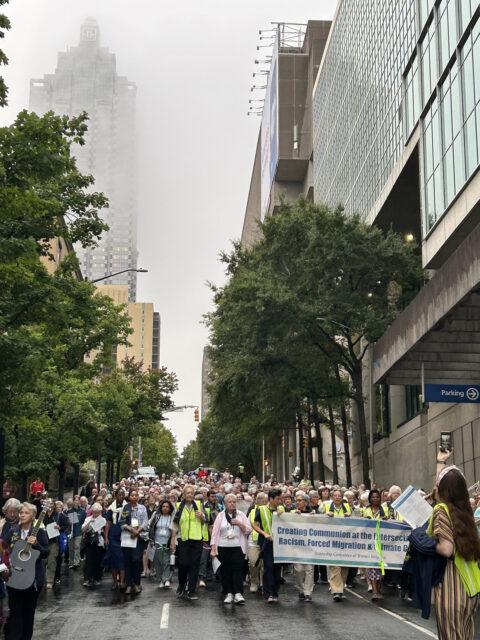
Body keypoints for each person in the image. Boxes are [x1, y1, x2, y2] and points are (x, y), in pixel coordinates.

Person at [429, 450, 480, 640]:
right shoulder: (466, 510)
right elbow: (442, 486)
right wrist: (440, 463)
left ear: (443, 489)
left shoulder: (441, 510)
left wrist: (428, 543)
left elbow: (446, 549)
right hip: (471, 587)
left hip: (451, 583)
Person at [3, 502, 49, 640]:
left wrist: (37, 545)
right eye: (21, 512)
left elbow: (46, 552)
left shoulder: (40, 532)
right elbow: (4, 550)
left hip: (32, 580)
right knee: (15, 613)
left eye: (26, 512)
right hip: (14, 578)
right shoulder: (13, 531)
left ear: (34, 516)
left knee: (28, 615)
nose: (22, 515)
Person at [210, 493, 251, 604]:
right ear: (225, 503)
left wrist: (239, 524)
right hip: (223, 546)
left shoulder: (241, 515)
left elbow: (248, 530)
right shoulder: (220, 515)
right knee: (225, 571)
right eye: (230, 502)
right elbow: (215, 533)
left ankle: (238, 593)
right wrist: (213, 548)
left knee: (237, 570)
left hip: (238, 547)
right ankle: (228, 593)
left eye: (234, 502)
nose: (232, 504)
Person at [173, 485, 206, 600]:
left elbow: (205, 521)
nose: (190, 495)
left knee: (194, 565)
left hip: (197, 539)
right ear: (183, 494)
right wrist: (173, 540)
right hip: (183, 539)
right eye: (187, 493)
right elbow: (175, 524)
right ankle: (182, 584)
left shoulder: (199, 505)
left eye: (192, 493)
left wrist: (202, 516)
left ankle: (191, 590)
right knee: (183, 563)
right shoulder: (178, 506)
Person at [252, 488, 285, 603]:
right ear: (271, 499)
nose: (280, 501)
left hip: (279, 544)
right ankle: (268, 593)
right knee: (268, 568)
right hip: (267, 544)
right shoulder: (261, 510)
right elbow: (255, 525)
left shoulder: (281, 509)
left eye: (281, 499)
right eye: (278, 499)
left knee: (277, 569)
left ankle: (275, 592)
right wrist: (264, 533)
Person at [362, 489, 389, 601]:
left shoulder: (385, 510)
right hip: (370, 543)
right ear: (370, 499)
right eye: (373, 497)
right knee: (372, 567)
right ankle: (374, 590)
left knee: (381, 568)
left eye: (377, 497)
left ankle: (378, 588)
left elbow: (390, 523)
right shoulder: (365, 510)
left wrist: (386, 519)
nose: (375, 499)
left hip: (383, 543)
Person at [121, 489, 148, 595]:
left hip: (139, 538)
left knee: (136, 560)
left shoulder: (142, 508)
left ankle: (136, 583)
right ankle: (128, 584)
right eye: (132, 495)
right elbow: (122, 523)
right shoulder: (126, 508)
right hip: (128, 538)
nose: (134, 497)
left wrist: (137, 531)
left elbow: (146, 522)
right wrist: (131, 529)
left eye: (136, 495)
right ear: (129, 497)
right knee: (127, 561)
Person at [327, 488, 351, 602]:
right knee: (334, 566)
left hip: (344, 542)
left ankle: (341, 587)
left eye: (339, 496)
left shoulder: (347, 508)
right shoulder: (326, 507)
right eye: (335, 495)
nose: (337, 497)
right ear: (332, 497)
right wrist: (326, 515)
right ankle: (336, 591)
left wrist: (349, 517)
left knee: (344, 567)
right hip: (332, 541)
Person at [43, 500, 70, 588]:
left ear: (54, 505)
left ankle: (49, 581)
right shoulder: (42, 515)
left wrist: (60, 528)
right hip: (43, 542)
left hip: (54, 541)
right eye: (47, 504)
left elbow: (66, 525)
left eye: (51, 504)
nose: (49, 505)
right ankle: (42, 579)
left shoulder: (59, 515)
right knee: (43, 561)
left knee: (52, 561)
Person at [293, 492, 314, 602]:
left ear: (305, 502)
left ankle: (307, 592)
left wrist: (314, 517)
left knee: (309, 570)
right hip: (297, 546)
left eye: (300, 500)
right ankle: (301, 589)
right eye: (297, 500)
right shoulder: (293, 512)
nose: (298, 502)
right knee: (299, 570)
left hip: (310, 546)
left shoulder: (313, 513)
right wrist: (293, 516)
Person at [104, 488, 127, 590]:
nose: (121, 496)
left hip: (124, 535)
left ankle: (122, 582)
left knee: (122, 559)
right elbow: (108, 523)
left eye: (123, 495)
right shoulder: (111, 508)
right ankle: (114, 582)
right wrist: (106, 537)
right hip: (113, 535)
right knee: (113, 560)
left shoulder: (127, 507)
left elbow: (126, 521)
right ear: (115, 495)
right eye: (119, 495)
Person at [150, 500, 175, 589]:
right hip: (157, 542)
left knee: (166, 561)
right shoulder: (156, 516)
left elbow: (174, 530)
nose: (165, 508)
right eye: (163, 506)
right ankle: (161, 579)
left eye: (167, 507)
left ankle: (166, 579)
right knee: (158, 562)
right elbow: (151, 526)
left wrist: (173, 542)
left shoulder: (172, 517)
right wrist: (151, 540)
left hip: (167, 542)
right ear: (161, 507)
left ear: (170, 508)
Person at [81, 503, 106, 588]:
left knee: (98, 561)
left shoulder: (103, 520)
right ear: (92, 511)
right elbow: (83, 529)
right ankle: (87, 579)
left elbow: (104, 531)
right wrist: (89, 523)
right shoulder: (88, 518)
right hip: (89, 542)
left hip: (99, 542)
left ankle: (97, 578)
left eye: (98, 512)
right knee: (88, 561)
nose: (96, 514)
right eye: (95, 512)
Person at [247, 492, 267, 593]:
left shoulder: (269, 510)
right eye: (259, 499)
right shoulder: (252, 510)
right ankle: (254, 581)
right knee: (253, 562)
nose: (261, 501)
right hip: (253, 541)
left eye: (263, 499)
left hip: (266, 540)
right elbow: (247, 524)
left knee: (264, 564)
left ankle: (263, 584)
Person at [66, 497, 85, 570]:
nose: (76, 502)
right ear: (73, 502)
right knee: (71, 548)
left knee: (77, 546)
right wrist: (69, 522)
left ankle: (76, 562)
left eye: (77, 501)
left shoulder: (82, 511)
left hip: (78, 531)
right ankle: (71, 562)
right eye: (75, 500)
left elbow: (83, 522)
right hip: (70, 532)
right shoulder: (69, 511)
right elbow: (67, 522)